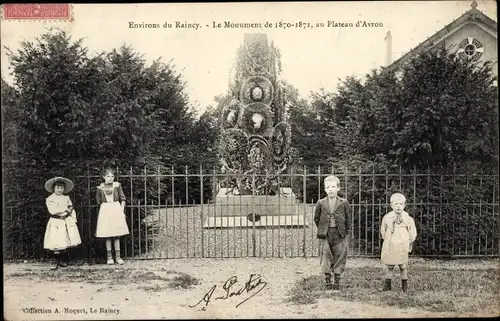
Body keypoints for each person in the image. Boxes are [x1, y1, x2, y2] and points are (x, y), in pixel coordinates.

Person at [314, 175, 352, 292]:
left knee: (339, 255)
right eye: (328, 187)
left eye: (333, 187)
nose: (330, 189)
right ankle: (327, 281)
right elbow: (316, 218)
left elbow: (348, 218)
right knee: (325, 255)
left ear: (338, 188)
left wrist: (345, 231)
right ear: (325, 189)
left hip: (339, 233)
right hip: (325, 234)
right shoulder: (321, 203)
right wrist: (323, 229)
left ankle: (337, 281)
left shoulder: (343, 202)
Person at [380, 193, 417, 292]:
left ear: (404, 206)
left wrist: (409, 241)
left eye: (401, 204)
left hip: (402, 244)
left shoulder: (408, 219)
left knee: (403, 265)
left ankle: (404, 285)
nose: (398, 206)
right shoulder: (387, 217)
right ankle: (387, 286)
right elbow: (383, 230)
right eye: (396, 204)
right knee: (390, 265)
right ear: (391, 205)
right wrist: (387, 239)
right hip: (391, 244)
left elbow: (412, 231)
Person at [43, 176, 82, 270]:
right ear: (54, 188)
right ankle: (55, 260)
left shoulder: (66, 198)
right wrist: (65, 209)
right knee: (56, 240)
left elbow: (71, 208)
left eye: (61, 188)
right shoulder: (50, 199)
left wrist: (71, 216)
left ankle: (63, 260)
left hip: (66, 220)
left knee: (64, 239)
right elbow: (53, 210)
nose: (60, 190)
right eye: (58, 187)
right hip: (56, 221)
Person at [95, 168, 129, 265]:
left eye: (112, 176)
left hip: (116, 209)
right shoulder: (100, 188)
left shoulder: (117, 186)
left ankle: (118, 257)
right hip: (105, 210)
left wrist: (121, 210)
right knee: (108, 234)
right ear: (104, 177)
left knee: (116, 234)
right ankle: (109, 257)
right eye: (108, 176)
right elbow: (98, 201)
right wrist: (105, 208)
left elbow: (122, 198)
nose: (110, 178)